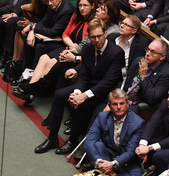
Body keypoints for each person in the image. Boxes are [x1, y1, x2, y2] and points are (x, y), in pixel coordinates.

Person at [35, 19, 125, 154]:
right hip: (87, 85)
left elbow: (108, 82)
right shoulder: (88, 48)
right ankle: (52, 137)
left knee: (83, 104)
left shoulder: (116, 53)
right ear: (89, 37)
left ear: (105, 34)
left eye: (99, 36)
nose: (97, 40)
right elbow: (84, 74)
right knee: (59, 95)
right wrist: (77, 92)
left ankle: (73, 140)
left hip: (103, 92)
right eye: (93, 37)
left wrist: (84, 96)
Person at [84, 89, 144, 176]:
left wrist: (112, 165)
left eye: (122, 103)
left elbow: (130, 151)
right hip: (106, 157)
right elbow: (89, 142)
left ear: (127, 104)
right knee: (97, 145)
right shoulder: (102, 117)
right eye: (115, 104)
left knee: (137, 174)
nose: (119, 107)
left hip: (125, 162)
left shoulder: (137, 123)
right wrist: (99, 162)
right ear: (109, 105)